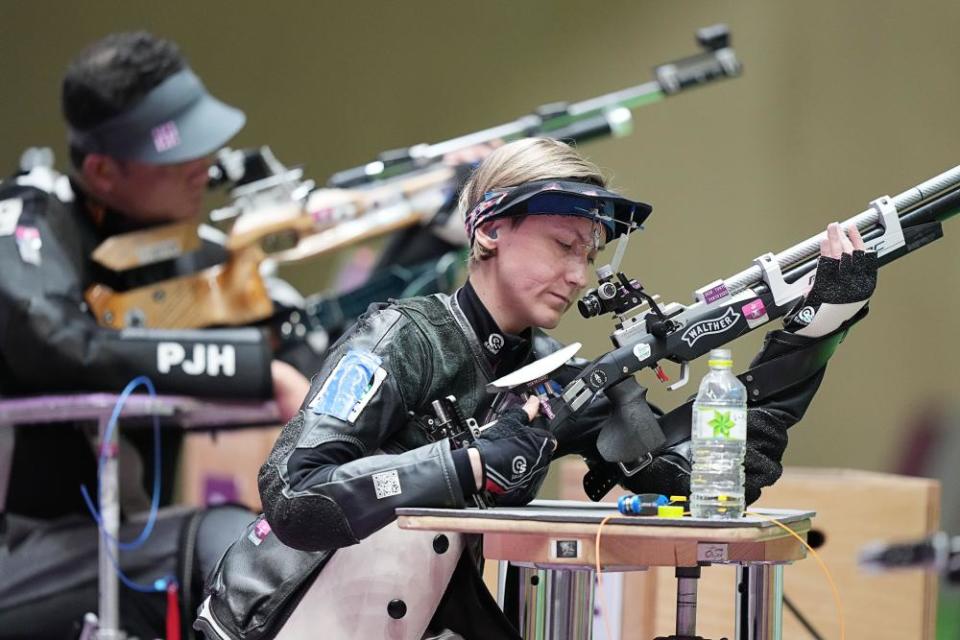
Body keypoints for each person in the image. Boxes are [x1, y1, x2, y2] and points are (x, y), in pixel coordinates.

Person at [197, 137, 877, 640]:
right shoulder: (398, 337)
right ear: (490, 230)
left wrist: (814, 331)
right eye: (562, 244)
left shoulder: (554, 372)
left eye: (589, 252)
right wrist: (465, 462)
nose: (580, 273)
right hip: (274, 623)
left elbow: (705, 477)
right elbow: (294, 495)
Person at [0, 32, 313, 639]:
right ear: (102, 171)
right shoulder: (26, 222)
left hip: (120, 545)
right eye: (179, 153)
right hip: (19, 549)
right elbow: (50, 338)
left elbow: (304, 341)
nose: (203, 166)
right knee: (232, 542)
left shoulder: (180, 247)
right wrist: (254, 369)